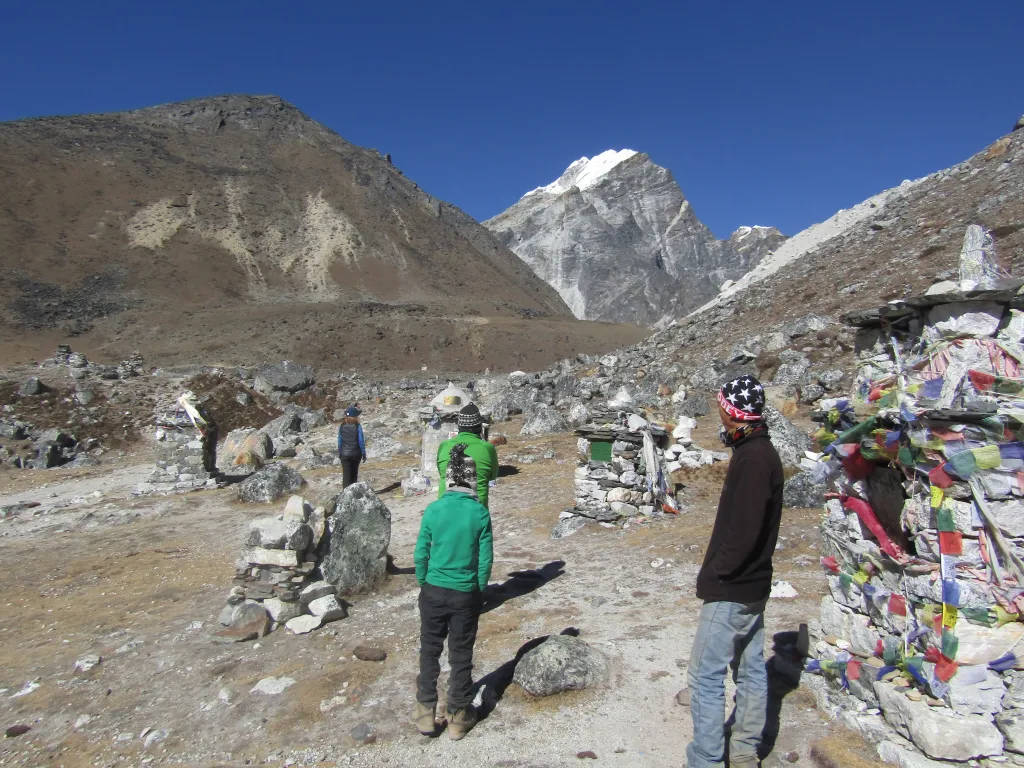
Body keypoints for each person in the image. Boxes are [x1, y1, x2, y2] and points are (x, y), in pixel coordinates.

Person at [686, 375, 784, 768]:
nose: (718, 411)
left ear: (730, 411)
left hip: (733, 587)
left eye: (721, 405)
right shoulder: (759, 452)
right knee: (749, 667)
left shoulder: (754, 459)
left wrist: (718, 572)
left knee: (705, 676)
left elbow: (743, 531)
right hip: (755, 583)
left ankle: (706, 759)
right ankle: (744, 752)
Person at [412, 443, 493, 740]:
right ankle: (458, 715)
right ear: (471, 480)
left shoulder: (433, 510)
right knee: (461, 654)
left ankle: (425, 711)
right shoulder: (479, 513)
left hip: (433, 590)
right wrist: (478, 589)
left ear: (448, 479)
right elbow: (485, 560)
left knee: (429, 650)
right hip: (464, 593)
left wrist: (424, 580)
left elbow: (421, 552)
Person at [436, 403, 499, 508]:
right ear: (479, 427)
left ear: (459, 426)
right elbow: (492, 476)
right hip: (477, 508)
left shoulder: (444, 445)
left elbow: (441, 471)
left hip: (444, 508)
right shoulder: (487, 448)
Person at [337, 406, 366, 488]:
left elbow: (339, 442)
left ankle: (345, 493)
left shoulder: (341, 426)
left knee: (346, 476)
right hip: (356, 454)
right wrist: (363, 453)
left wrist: (340, 452)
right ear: (355, 416)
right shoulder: (358, 426)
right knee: (354, 474)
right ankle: (353, 492)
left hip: (344, 454)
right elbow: (361, 441)